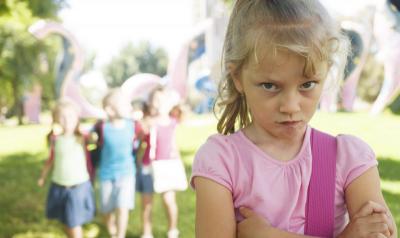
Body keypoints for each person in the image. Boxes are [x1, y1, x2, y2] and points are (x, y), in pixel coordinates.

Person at [190, 1, 398, 238]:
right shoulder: (222, 161)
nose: (290, 106)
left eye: (307, 85)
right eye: (269, 86)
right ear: (237, 76)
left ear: (326, 71)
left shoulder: (349, 159)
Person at [38, 99, 95, 238]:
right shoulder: (55, 139)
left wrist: (94, 136)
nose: (66, 120)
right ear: (56, 119)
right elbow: (50, 160)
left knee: (73, 222)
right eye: (62, 117)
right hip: (59, 185)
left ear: (77, 118)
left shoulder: (82, 137)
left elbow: (94, 138)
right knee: (65, 220)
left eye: (70, 116)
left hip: (78, 187)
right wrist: (42, 177)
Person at [94, 88, 141, 238]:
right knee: (106, 209)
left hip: (127, 174)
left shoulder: (133, 125)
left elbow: (144, 133)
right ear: (110, 109)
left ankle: (119, 235)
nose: (129, 107)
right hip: (107, 175)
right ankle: (112, 230)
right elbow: (89, 137)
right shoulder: (102, 128)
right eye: (124, 104)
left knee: (123, 207)